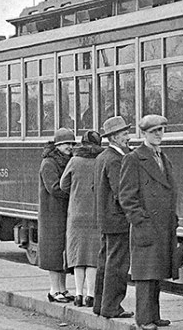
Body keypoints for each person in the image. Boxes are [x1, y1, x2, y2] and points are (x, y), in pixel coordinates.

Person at [117, 114, 178, 330]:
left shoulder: (162, 157)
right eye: (154, 131)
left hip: (162, 224)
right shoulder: (134, 159)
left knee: (157, 271)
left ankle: (154, 314)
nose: (159, 135)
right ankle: (144, 318)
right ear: (143, 134)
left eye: (162, 130)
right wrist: (140, 220)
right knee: (145, 273)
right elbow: (126, 196)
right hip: (147, 225)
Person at [93, 116, 134, 319]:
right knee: (118, 265)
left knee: (105, 262)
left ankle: (100, 304)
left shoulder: (103, 157)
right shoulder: (116, 159)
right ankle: (112, 307)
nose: (128, 137)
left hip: (106, 219)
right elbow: (121, 191)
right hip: (118, 220)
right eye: (125, 134)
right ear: (115, 137)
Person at [60, 130, 104, 307]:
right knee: (92, 257)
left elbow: (64, 184)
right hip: (95, 213)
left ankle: (78, 295)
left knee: (78, 256)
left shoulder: (74, 161)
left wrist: (76, 192)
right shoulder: (100, 161)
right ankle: (90, 296)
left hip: (76, 214)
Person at [38, 127, 76, 303]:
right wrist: (74, 192)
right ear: (58, 145)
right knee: (54, 253)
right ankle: (54, 290)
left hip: (62, 212)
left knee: (62, 252)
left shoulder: (66, 160)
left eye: (71, 143)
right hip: (52, 214)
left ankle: (63, 289)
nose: (70, 147)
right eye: (66, 144)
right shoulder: (49, 163)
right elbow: (54, 188)